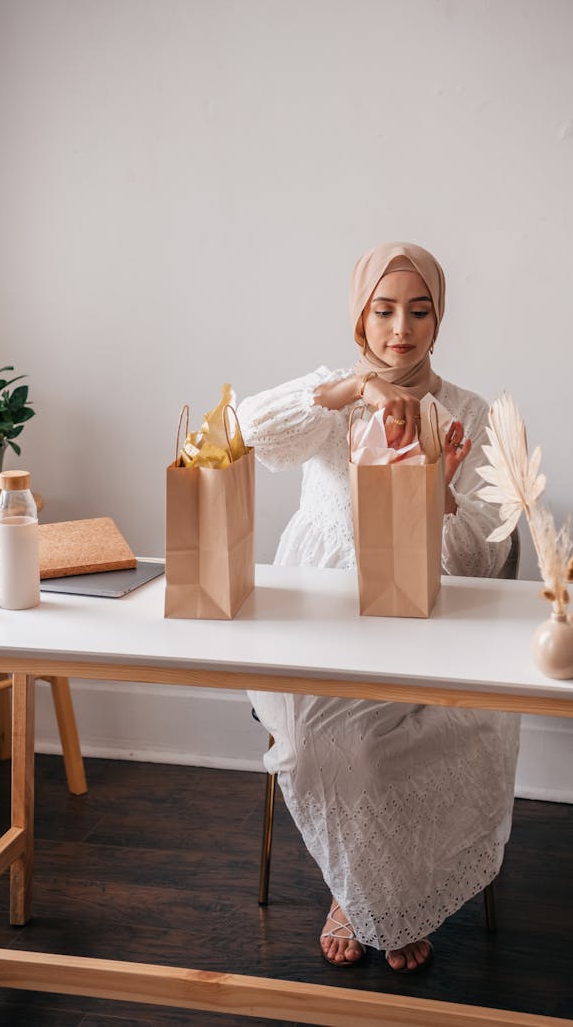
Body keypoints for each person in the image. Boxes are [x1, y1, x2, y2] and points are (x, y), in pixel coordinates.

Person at [236, 242, 520, 972]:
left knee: (408, 732)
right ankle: (361, 892)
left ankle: (377, 896)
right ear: (360, 317)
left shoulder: (470, 413)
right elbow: (246, 429)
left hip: (427, 628)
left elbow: (484, 561)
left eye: (419, 311)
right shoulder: (334, 396)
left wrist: (438, 493)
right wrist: (349, 391)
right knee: (330, 739)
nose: (402, 328)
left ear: (439, 318)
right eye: (384, 310)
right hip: (315, 629)